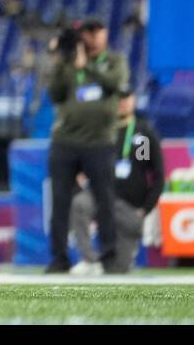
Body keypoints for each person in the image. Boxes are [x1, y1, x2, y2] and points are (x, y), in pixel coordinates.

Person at [45, 17, 129, 273]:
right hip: (65, 142)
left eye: (95, 31)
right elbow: (55, 94)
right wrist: (60, 60)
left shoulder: (115, 61)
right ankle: (59, 258)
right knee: (59, 201)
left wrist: (87, 67)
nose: (91, 36)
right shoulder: (69, 64)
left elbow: (115, 83)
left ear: (104, 34)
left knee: (104, 199)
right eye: (86, 32)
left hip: (99, 142)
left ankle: (109, 256)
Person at [69, 90, 163, 275]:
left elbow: (158, 175)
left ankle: (123, 255)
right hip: (101, 196)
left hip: (127, 205)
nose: (122, 102)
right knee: (80, 203)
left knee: (118, 269)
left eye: (126, 98)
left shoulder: (142, 134)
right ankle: (89, 259)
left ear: (134, 100)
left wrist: (145, 208)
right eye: (118, 98)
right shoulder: (101, 132)